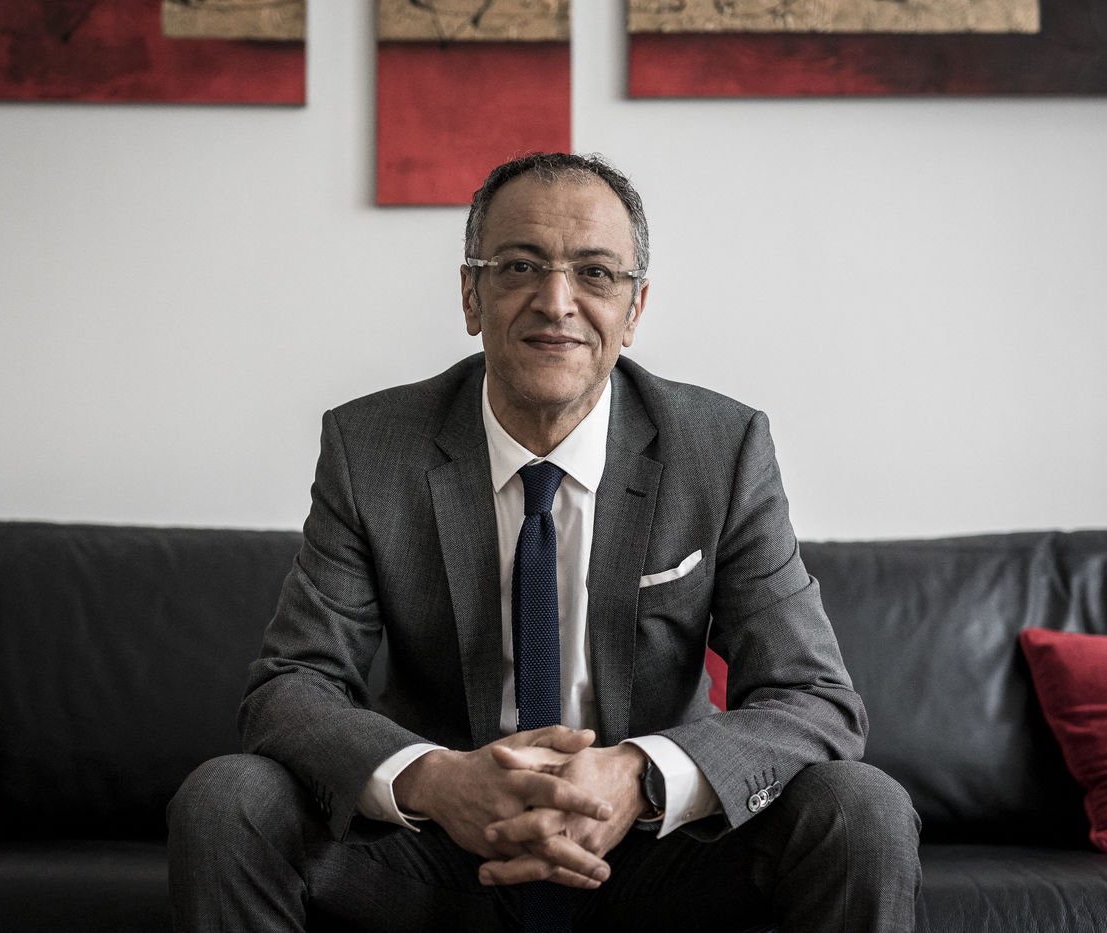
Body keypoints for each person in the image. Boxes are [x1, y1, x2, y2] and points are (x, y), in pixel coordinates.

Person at [167, 152, 921, 932]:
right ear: (471, 294)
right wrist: (436, 781)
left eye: (595, 273)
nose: (556, 302)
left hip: (656, 851)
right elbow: (291, 684)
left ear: (634, 308)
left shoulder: (720, 450)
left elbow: (814, 697)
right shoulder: (373, 449)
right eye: (520, 266)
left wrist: (641, 775)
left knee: (861, 805)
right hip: (440, 848)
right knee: (228, 799)